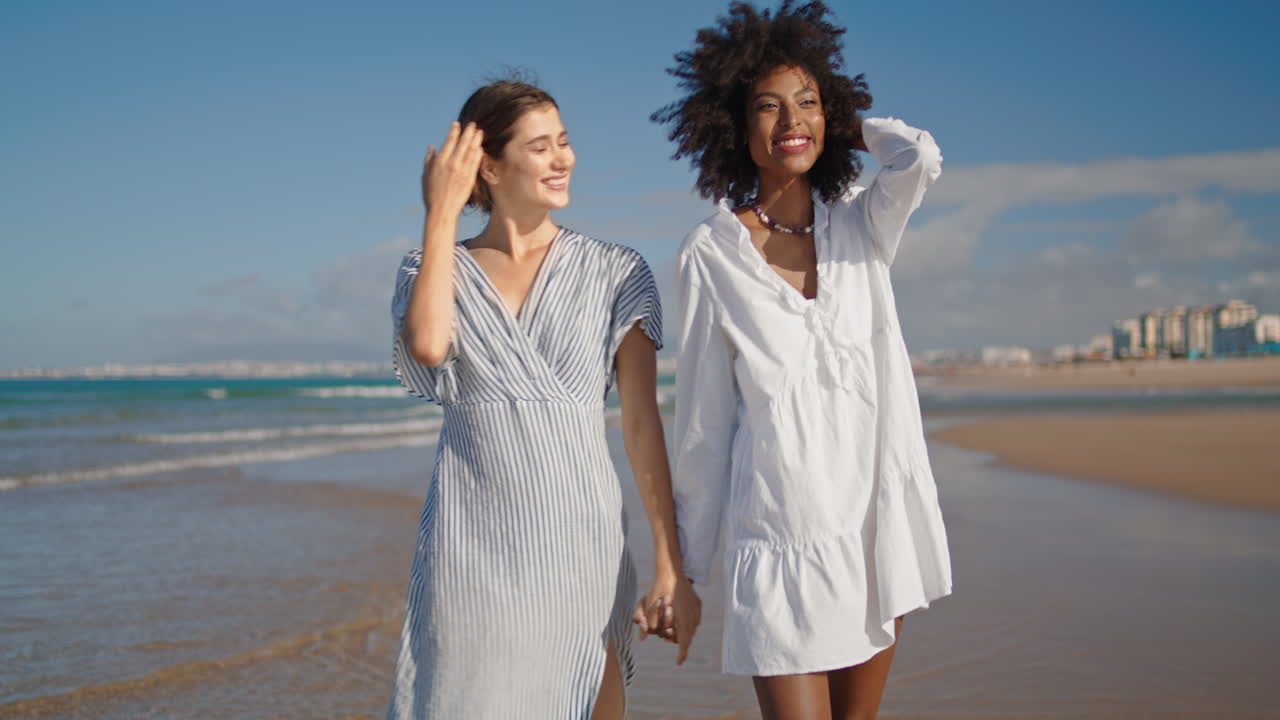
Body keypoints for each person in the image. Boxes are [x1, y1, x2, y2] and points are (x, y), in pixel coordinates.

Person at [653, 3, 952, 718]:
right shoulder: (711, 254)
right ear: (736, 124)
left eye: (807, 101)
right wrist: (686, 571)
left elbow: (919, 159)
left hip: (873, 529)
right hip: (780, 538)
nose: (791, 119)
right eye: (769, 106)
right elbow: (704, 425)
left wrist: (843, 123)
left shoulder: (860, 220)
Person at [387, 78, 700, 720]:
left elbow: (642, 426)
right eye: (540, 147)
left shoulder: (617, 270)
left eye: (564, 141)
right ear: (488, 167)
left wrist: (669, 563)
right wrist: (440, 214)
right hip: (469, 549)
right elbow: (427, 345)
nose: (563, 159)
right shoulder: (432, 268)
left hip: (580, 544)